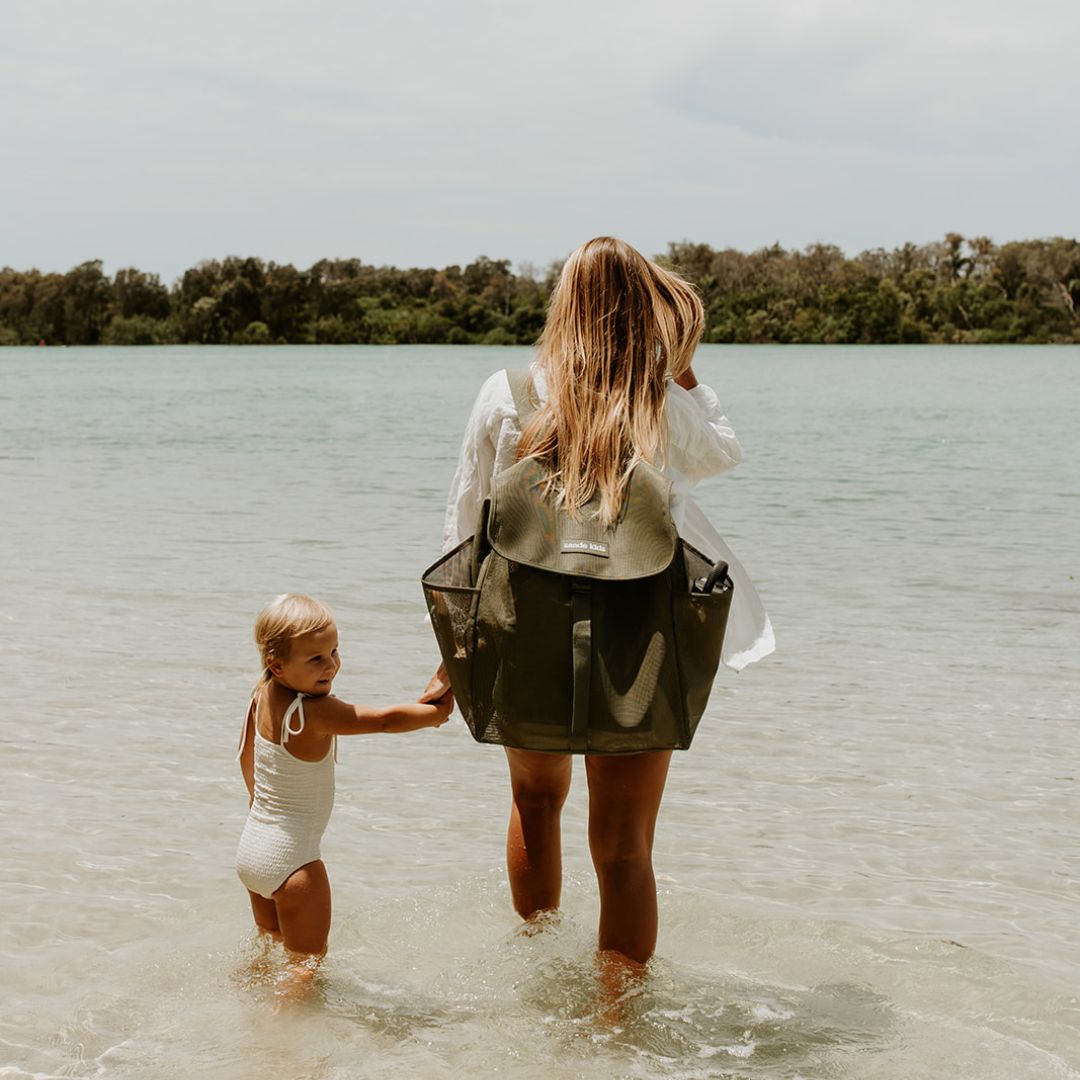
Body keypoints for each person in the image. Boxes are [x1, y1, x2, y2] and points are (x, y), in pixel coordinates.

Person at [423, 236, 773, 975]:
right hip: (640, 639)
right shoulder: (658, 403)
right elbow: (724, 451)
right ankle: (616, 1024)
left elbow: (467, 520)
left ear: (562, 305)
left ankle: (538, 976)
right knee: (624, 846)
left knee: (534, 801)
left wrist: (454, 648)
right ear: (644, 310)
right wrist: (680, 368)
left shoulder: (507, 393)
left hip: (523, 628)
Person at [237, 593, 452, 986]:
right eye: (316, 659)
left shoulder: (261, 695)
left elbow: (245, 758)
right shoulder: (314, 712)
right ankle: (278, 1026)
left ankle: (243, 1008)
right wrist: (434, 714)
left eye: (334, 652)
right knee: (306, 966)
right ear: (277, 664)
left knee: (269, 948)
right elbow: (384, 721)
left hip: (253, 848)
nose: (332, 665)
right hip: (294, 863)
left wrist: (258, 808)